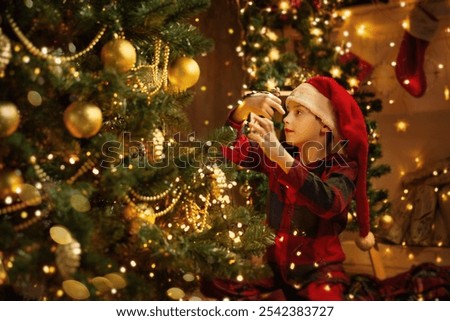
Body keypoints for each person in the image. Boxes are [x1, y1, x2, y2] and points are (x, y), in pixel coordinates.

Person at [209, 76, 375, 301]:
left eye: (298, 112)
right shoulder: (277, 156)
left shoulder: (343, 166)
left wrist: (280, 156)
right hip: (275, 269)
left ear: (325, 124)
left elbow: (330, 202)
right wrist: (244, 108)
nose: (286, 119)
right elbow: (227, 149)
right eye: (287, 111)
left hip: (319, 273)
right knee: (215, 279)